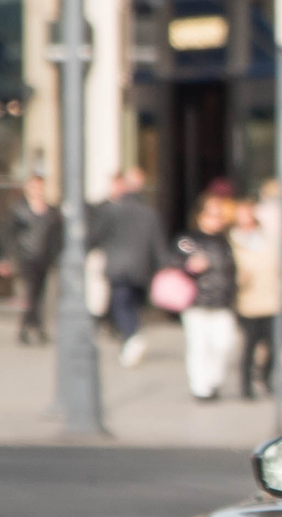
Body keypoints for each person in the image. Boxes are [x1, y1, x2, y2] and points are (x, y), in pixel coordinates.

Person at [88, 168, 174, 367]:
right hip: (141, 268)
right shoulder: (149, 212)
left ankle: (131, 338)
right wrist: (163, 266)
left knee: (121, 305)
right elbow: (158, 243)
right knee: (133, 305)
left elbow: (96, 236)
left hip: (118, 266)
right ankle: (130, 338)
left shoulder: (113, 210)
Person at [176, 192, 242, 401]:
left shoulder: (226, 242)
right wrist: (189, 266)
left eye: (219, 215)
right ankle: (200, 388)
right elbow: (173, 261)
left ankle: (213, 381)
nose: (216, 219)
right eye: (211, 214)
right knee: (199, 345)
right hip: (197, 301)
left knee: (224, 343)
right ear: (201, 216)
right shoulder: (188, 240)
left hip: (222, 301)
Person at [231, 195, 282, 399]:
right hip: (248, 300)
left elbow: (281, 262)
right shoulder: (232, 239)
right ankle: (246, 387)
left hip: (272, 297)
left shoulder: (267, 237)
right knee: (250, 345)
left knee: (274, 343)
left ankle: (265, 377)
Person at [2, 173, 61, 345]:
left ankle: (33, 327)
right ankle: (29, 328)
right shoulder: (19, 209)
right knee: (30, 293)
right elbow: (10, 235)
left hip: (44, 258)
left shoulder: (51, 211)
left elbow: (55, 237)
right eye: (34, 187)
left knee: (40, 294)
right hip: (26, 257)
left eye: (40, 187)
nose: (37, 190)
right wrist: (7, 258)